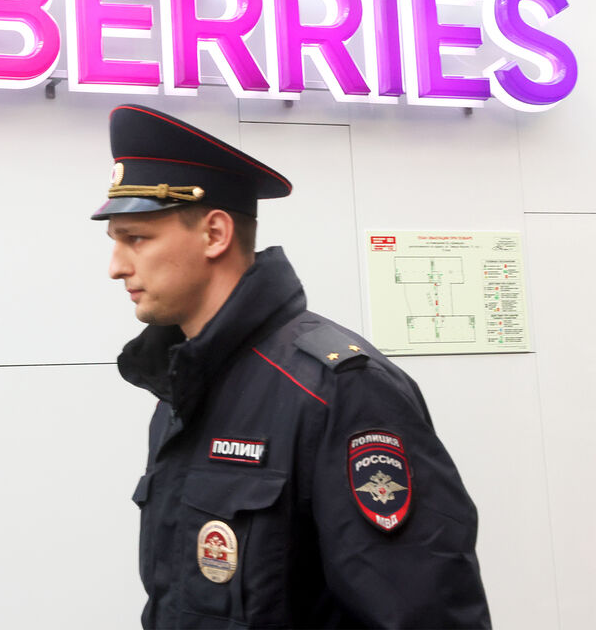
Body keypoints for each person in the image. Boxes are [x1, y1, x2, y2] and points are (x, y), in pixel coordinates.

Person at [94, 104, 491, 629]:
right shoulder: (182, 385)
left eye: (136, 239)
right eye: (116, 242)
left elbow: (422, 613)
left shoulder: (338, 390)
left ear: (215, 234)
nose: (116, 267)